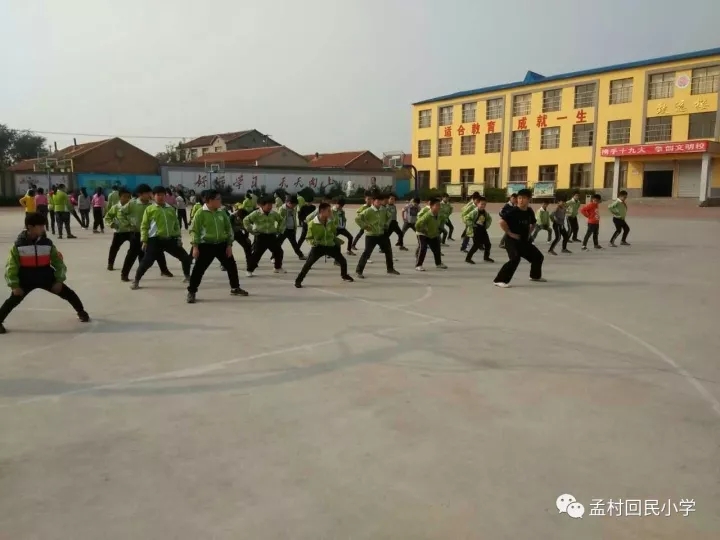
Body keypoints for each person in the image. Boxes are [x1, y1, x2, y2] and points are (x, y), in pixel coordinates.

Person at [0, 212, 89, 334]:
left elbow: (58, 262)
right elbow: (11, 266)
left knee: (68, 293)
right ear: (30, 227)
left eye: (44, 226)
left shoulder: (47, 243)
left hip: (46, 275)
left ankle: (81, 312)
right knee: (13, 300)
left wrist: (59, 280)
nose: (43, 228)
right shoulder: (18, 245)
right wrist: (14, 285)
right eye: (40, 226)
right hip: (26, 277)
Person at [186, 189, 248, 303]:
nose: (220, 201)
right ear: (209, 200)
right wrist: (195, 247)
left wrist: (229, 245)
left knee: (231, 266)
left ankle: (235, 288)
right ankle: (192, 292)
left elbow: (228, 229)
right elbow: (194, 231)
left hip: (222, 245)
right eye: (218, 199)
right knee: (198, 270)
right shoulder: (200, 213)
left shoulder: (221, 212)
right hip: (206, 245)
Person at [130, 186, 192, 290]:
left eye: (163, 195)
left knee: (185, 257)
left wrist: (178, 237)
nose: (161, 197)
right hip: (155, 240)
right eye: (158, 195)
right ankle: (136, 281)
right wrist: (144, 240)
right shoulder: (150, 209)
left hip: (170, 239)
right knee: (147, 261)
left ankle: (187, 276)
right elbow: (144, 226)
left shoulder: (170, 209)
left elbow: (176, 224)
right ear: (153, 196)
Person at [118, 184, 172, 282]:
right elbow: (120, 213)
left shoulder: (152, 204)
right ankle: (124, 274)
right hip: (136, 233)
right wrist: (127, 224)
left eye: (150, 193)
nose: (150, 195)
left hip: (150, 234)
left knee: (158, 252)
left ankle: (164, 270)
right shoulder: (132, 204)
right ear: (140, 194)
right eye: (147, 193)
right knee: (132, 254)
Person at [493, 188, 545, 288]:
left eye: (524, 198)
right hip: (511, 241)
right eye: (519, 198)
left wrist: (529, 233)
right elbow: (501, 222)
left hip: (524, 240)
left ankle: (535, 276)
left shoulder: (529, 211)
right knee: (515, 259)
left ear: (529, 199)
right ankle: (499, 280)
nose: (521, 200)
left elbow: (533, 223)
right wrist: (509, 233)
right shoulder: (513, 211)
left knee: (538, 257)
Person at [294, 202, 354, 288]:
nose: (330, 212)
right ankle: (298, 280)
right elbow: (309, 237)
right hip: (318, 247)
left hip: (330, 245)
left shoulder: (330, 222)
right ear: (322, 211)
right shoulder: (312, 224)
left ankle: (344, 275)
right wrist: (314, 242)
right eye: (328, 211)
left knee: (343, 261)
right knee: (308, 264)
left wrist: (335, 240)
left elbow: (333, 232)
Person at [355, 192, 399, 279]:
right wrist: (365, 226)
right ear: (373, 201)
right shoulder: (368, 211)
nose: (379, 203)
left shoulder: (383, 210)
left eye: (381, 201)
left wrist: (386, 224)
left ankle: (390, 268)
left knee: (388, 251)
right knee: (367, 253)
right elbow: (358, 218)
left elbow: (390, 216)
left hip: (381, 234)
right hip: (371, 235)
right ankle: (359, 271)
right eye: (377, 201)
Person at [243, 196, 285, 277]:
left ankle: (277, 267)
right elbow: (246, 220)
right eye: (268, 205)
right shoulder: (256, 213)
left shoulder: (273, 214)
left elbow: (281, 220)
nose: (270, 207)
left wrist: (279, 230)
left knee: (279, 251)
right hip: (260, 236)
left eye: (271, 205)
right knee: (256, 254)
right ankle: (249, 270)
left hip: (271, 236)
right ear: (262, 205)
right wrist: (252, 231)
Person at [414, 197, 447, 272]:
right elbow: (417, 224)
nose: (439, 207)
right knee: (423, 248)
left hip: (433, 234)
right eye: (437, 205)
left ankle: (438, 263)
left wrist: (439, 229)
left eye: (439, 205)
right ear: (431, 206)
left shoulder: (439, 214)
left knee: (437, 249)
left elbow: (442, 220)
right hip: (422, 234)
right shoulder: (427, 215)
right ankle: (418, 265)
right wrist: (423, 230)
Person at [105, 187, 134, 270]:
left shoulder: (132, 207)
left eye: (128, 197)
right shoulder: (116, 207)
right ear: (120, 197)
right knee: (114, 248)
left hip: (132, 231)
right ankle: (110, 264)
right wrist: (111, 224)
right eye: (124, 196)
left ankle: (141, 264)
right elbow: (108, 217)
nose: (127, 199)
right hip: (119, 232)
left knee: (136, 249)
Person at [463, 196, 494, 264]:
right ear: (477, 204)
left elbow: (489, 219)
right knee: (476, 245)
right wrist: (472, 224)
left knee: (488, 244)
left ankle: (486, 257)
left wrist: (486, 225)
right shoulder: (474, 212)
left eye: (484, 204)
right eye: (481, 204)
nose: (483, 206)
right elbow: (466, 218)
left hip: (483, 230)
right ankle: (468, 258)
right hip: (476, 230)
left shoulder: (485, 212)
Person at [277, 195, 306, 260]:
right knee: (278, 244)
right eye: (293, 205)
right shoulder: (282, 209)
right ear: (288, 202)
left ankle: (301, 255)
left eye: (295, 205)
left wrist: (294, 227)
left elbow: (294, 218)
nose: (294, 206)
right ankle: (273, 257)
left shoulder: (293, 209)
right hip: (283, 230)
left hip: (291, 229)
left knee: (294, 244)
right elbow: (278, 219)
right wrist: (277, 229)